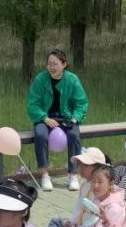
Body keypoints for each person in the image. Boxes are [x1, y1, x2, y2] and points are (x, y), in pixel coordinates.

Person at [26, 48, 88, 192]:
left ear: (64, 64)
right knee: (41, 135)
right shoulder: (40, 79)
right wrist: (44, 117)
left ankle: (73, 174)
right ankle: (44, 174)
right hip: (45, 117)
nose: (51, 67)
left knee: (74, 135)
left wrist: (75, 117)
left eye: (55, 64)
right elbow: (32, 105)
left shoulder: (72, 79)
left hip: (67, 117)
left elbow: (81, 103)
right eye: (49, 63)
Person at [47, 164, 126, 227]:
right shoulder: (99, 196)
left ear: (111, 184)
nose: (95, 185)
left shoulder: (114, 208)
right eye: (93, 181)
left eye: (100, 182)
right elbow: (87, 224)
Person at [44, 146, 106, 227]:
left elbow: (94, 223)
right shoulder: (85, 185)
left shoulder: (101, 190)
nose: (80, 168)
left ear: (97, 167)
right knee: (55, 222)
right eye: (79, 165)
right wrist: (71, 223)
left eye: (85, 166)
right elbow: (79, 208)